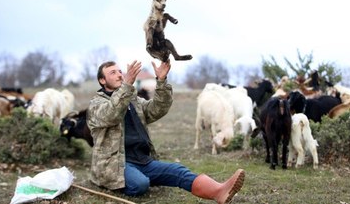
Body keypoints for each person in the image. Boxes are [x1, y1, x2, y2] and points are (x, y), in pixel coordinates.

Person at [87, 60, 245, 204]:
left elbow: (157, 109)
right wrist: (126, 86)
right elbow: (111, 115)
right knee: (140, 184)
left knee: (178, 171)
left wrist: (161, 81)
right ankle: (109, 181)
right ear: (102, 80)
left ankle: (219, 191)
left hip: (143, 160)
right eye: (112, 73)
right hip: (116, 165)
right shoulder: (96, 104)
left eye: (120, 71)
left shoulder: (131, 99)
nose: (120, 75)